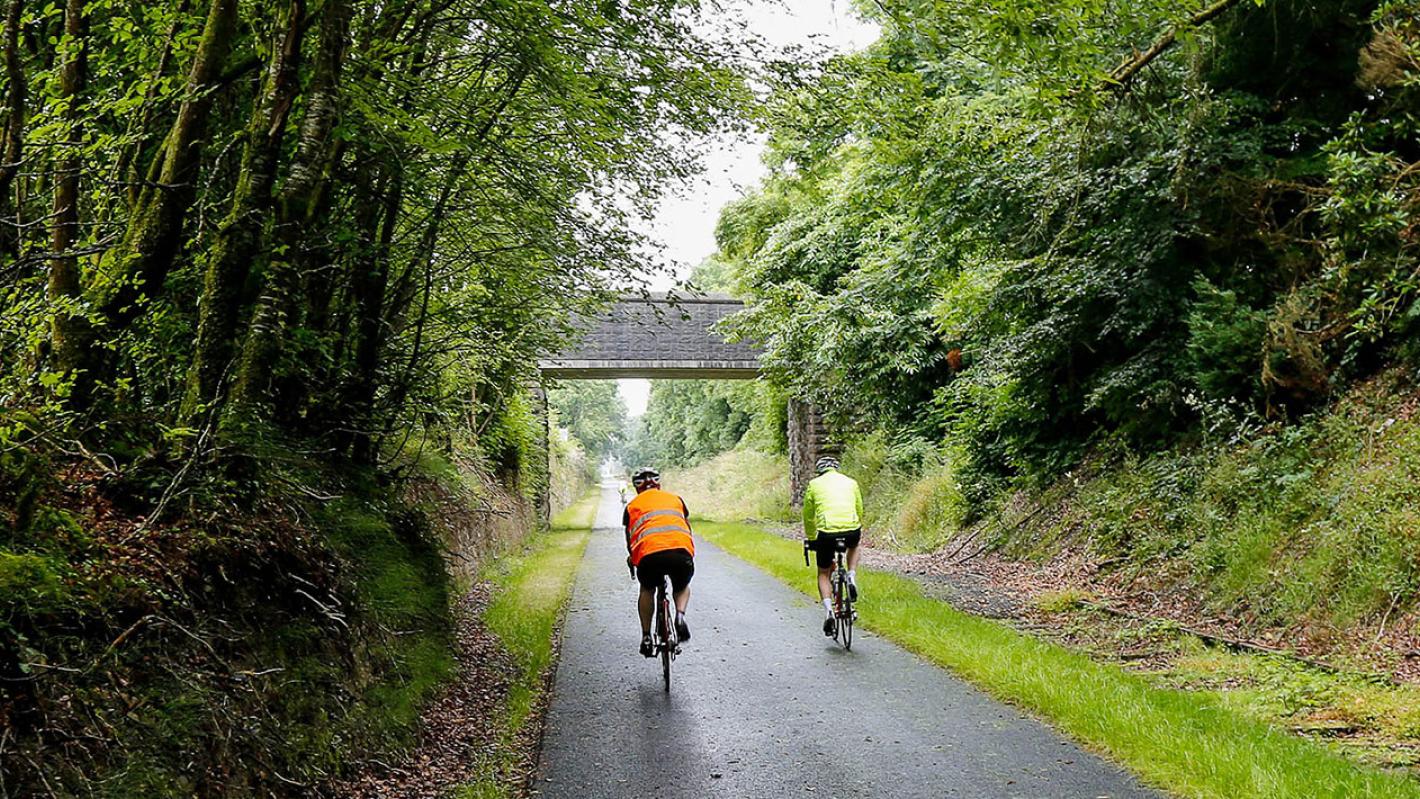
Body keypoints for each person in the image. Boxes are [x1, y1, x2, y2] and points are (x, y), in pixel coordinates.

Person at [624, 467, 695, 657]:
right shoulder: (675, 499)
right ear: (658, 483)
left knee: (647, 589)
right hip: (680, 551)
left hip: (649, 556)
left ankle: (646, 636)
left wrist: (633, 559)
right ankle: (680, 616)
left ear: (637, 487)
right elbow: (686, 526)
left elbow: (631, 541)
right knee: (681, 586)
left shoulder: (632, 506)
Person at [802, 456, 863, 637]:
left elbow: (808, 515)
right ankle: (851, 576)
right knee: (855, 546)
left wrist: (812, 537)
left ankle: (829, 611)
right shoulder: (851, 482)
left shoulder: (814, 484)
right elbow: (859, 509)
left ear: (820, 470)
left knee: (823, 572)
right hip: (851, 529)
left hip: (826, 532)